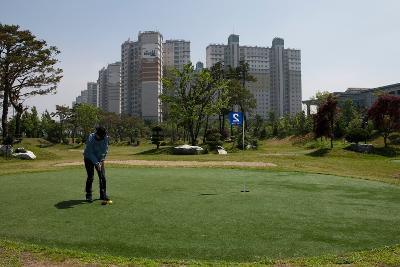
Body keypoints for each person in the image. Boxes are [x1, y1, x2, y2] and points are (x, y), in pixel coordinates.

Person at [83, 126, 109, 202]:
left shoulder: (105, 137)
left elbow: (105, 150)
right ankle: (88, 195)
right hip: (88, 158)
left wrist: (101, 160)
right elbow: (90, 152)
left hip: (99, 158)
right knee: (90, 176)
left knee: (102, 176)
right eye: (100, 137)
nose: (102, 138)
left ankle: (103, 194)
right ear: (96, 134)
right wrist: (97, 163)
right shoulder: (91, 138)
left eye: (103, 137)